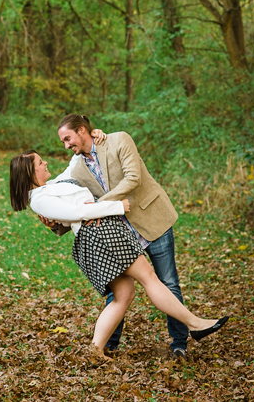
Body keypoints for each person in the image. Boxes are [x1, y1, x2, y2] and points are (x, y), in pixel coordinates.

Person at [10, 150, 229, 361]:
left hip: (101, 232)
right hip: (101, 233)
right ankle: (195, 324)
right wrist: (117, 206)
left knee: (124, 295)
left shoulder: (51, 186)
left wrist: (93, 135)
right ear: (29, 174)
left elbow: (72, 165)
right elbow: (80, 213)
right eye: (39, 163)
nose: (45, 163)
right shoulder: (39, 199)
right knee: (148, 278)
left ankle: (96, 349)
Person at [43, 115, 189, 358]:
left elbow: (133, 178)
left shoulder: (119, 140)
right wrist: (53, 222)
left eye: (68, 138)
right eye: (63, 141)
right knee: (117, 291)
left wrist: (101, 204)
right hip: (118, 235)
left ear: (82, 130)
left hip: (152, 219)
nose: (66, 145)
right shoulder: (76, 167)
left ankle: (179, 343)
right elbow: (75, 204)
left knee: (168, 282)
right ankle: (109, 345)